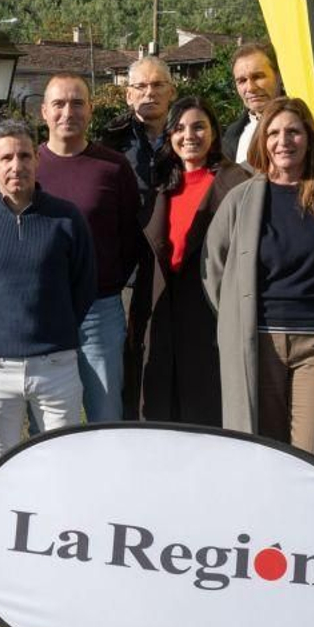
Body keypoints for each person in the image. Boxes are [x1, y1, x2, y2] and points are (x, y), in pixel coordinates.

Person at [203, 97, 314, 487]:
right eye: (275, 133)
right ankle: (266, 541)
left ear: (309, 138)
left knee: (311, 459)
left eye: (293, 131)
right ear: (263, 140)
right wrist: (235, 315)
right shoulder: (242, 199)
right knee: (263, 452)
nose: (284, 141)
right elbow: (214, 268)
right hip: (259, 343)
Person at [0, 120, 94, 466]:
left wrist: (53, 329)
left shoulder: (66, 218)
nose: (17, 166)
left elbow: (84, 285)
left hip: (56, 365)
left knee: (63, 460)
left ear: (37, 159)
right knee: (2, 463)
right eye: (7, 158)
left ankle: (60, 522)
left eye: (25, 156)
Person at [130, 98, 251, 425]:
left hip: (210, 317)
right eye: (180, 128)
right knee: (160, 420)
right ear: (169, 135)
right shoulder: (160, 185)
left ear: (214, 132)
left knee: (207, 417)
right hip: (163, 316)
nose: (189, 135)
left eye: (199, 126)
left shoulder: (237, 184)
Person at [36, 73, 141, 422]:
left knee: (106, 416)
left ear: (91, 110)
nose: (69, 111)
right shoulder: (28, 167)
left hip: (100, 311)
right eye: (59, 104)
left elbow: (129, 237)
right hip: (44, 313)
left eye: (77, 103)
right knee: (48, 424)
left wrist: (103, 277)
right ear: (44, 112)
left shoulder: (113, 167)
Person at [221, 43, 314, 170]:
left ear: (279, 76)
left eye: (258, 77)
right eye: (242, 81)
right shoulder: (232, 135)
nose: (250, 88)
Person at [101, 55, 175, 207]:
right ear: (129, 96)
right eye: (141, 86)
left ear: (172, 92)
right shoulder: (112, 142)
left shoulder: (187, 139)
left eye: (158, 84)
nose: (149, 92)